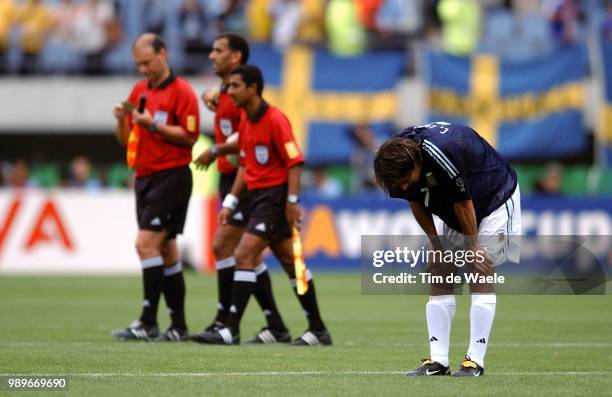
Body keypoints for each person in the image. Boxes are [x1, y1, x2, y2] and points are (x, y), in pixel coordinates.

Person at [373, 121, 521, 376]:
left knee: (479, 270)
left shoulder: (442, 151)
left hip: (495, 196)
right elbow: (415, 200)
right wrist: (436, 244)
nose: (405, 187)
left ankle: (475, 361)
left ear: (417, 163)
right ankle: (438, 360)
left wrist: (472, 246)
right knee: (439, 270)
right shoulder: (394, 160)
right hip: (455, 203)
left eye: (407, 181)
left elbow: (464, 203)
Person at [198, 64, 332, 345]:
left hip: (274, 198)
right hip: (257, 198)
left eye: (235, 86)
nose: (229, 91)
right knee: (291, 263)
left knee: (245, 253)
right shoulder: (246, 121)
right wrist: (231, 201)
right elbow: (246, 165)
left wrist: (292, 202)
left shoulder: (275, 119)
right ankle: (318, 329)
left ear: (252, 88)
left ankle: (230, 329)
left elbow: (294, 161)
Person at [191, 33, 292, 344]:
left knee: (229, 247)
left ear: (235, 58)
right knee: (246, 254)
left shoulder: (242, 97)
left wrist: (217, 150)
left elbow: (247, 135)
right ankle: (275, 325)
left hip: (246, 177)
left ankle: (227, 321)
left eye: (218, 50)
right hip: (231, 177)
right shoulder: (224, 94)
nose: (211, 55)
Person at [110, 33, 199, 342]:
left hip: (172, 176)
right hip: (145, 177)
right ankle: (178, 326)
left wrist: (152, 124)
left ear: (163, 54)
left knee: (145, 244)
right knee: (166, 251)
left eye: (147, 62)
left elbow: (190, 136)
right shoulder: (138, 91)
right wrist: (123, 121)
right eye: (138, 64)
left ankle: (148, 320)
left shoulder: (182, 92)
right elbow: (128, 140)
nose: (143, 70)